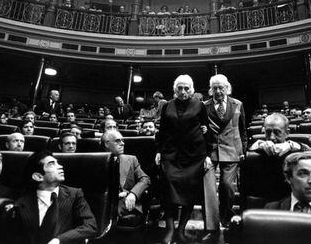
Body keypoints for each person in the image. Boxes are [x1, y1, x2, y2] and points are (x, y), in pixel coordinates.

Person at [155, 74, 211, 244]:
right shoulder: (167, 106)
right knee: (168, 189)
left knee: (190, 192)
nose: (183, 91)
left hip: (194, 156)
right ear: (175, 89)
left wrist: (208, 155)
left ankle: (181, 230)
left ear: (192, 90)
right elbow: (162, 131)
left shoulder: (199, 105)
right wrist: (159, 151)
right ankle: (170, 229)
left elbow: (206, 129)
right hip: (171, 154)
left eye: (186, 88)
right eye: (180, 87)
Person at [16, 150, 97, 244]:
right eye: (51, 164)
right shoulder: (21, 203)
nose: (60, 166)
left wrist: (59, 240)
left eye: (57, 163)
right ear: (38, 176)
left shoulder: (74, 195)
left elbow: (90, 226)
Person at [202, 74, 247, 241]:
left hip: (232, 149)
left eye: (221, 87)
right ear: (210, 90)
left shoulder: (238, 104)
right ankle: (211, 228)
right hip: (210, 151)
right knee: (209, 189)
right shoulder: (203, 106)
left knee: (227, 187)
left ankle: (226, 217)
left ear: (227, 88)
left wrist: (243, 149)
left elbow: (242, 130)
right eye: (215, 88)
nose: (218, 91)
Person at [101, 131, 150, 227]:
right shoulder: (96, 161)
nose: (122, 143)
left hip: (126, 202)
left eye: (122, 140)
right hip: (106, 203)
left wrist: (133, 193)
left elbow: (145, 179)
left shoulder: (131, 159)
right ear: (107, 143)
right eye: (117, 141)